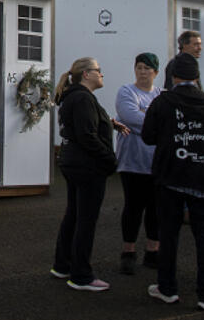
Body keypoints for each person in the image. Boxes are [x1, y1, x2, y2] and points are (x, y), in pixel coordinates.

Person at [142, 51, 204, 311]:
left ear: (173, 76)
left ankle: (167, 288)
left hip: (170, 177)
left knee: (168, 234)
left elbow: (148, 136)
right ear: (196, 76)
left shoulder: (163, 102)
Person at [52, 56, 127, 292]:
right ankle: (81, 275)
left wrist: (109, 122)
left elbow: (85, 125)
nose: (102, 74)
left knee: (74, 214)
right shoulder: (83, 98)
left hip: (74, 164)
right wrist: (110, 160)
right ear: (86, 74)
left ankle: (63, 265)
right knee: (86, 220)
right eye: (98, 70)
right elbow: (87, 135)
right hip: (87, 167)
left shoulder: (75, 97)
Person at [115, 52, 161, 275]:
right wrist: (157, 124)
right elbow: (130, 116)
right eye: (139, 67)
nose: (142, 72)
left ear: (156, 72)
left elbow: (158, 120)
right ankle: (128, 252)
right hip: (132, 161)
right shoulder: (126, 91)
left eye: (147, 68)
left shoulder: (161, 95)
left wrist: (148, 120)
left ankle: (153, 251)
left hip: (156, 162)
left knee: (155, 208)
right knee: (133, 207)